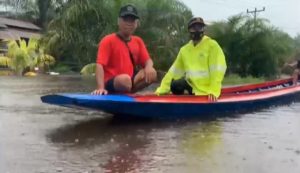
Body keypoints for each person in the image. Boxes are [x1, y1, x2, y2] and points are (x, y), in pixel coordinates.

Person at [155, 17, 227, 102]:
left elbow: (217, 71)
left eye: (199, 27)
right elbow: (173, 72)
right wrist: (161, 90)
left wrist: (213, 91)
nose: (197, 30)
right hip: (192, 88)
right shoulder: (184, 50)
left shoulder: (212, 45)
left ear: (203, 29)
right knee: (175, 85)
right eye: (194, 28)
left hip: (208, 90)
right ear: (189, 30)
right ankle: (181, 105)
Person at [92, 4, 157, 95]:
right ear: (119, 21)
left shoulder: (138, 41)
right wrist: (100, 88)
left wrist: (149, 67)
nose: (129, 23)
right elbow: (99, 65)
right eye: (126, 19)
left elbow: (148, 60)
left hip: (130, 81)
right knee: (125, 80)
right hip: (113, 81)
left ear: (136, 23)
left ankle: (130, 92)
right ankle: (125, 89)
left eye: (132, 20)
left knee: (152, 73)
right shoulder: (108, 40)